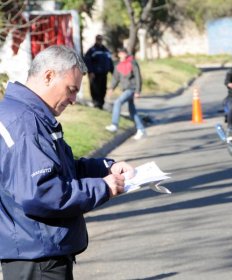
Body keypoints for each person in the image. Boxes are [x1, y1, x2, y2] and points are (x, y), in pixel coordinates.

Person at [0, 45, 135, 280]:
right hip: (38, 260)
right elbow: (41, 191)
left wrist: (106, 167)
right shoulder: (25, 123)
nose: (73, 99)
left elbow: (62, 168)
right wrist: (103, 187)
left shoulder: (27, 115)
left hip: (36, 253)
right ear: (49, 76)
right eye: (71, 90)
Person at [105, 47, 146, 140]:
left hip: (131, 89)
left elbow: (138, 77)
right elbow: (116, 78)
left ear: (126, 53)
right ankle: (141, 129)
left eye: (124, 53)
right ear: (119, 54)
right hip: (124, 89)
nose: (122, 55)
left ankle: (114, 124)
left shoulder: (133, 63)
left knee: (118, 102)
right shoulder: (118, 65)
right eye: (120, 53)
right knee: (132, 111)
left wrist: (138, 91)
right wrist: (111, 88)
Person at [84, 34, 114, 109]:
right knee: (95, 89)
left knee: (103, 89)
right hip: (95, 74)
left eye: (101, 39)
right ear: (96, 40)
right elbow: (87, 61)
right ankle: (96, 103)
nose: (99, 41)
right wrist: (90, 71)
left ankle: (101, 103)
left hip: (104, 73)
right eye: (98, 39)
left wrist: (113, 71)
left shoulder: (105, 50)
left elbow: (110, 62)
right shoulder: (92, 50)